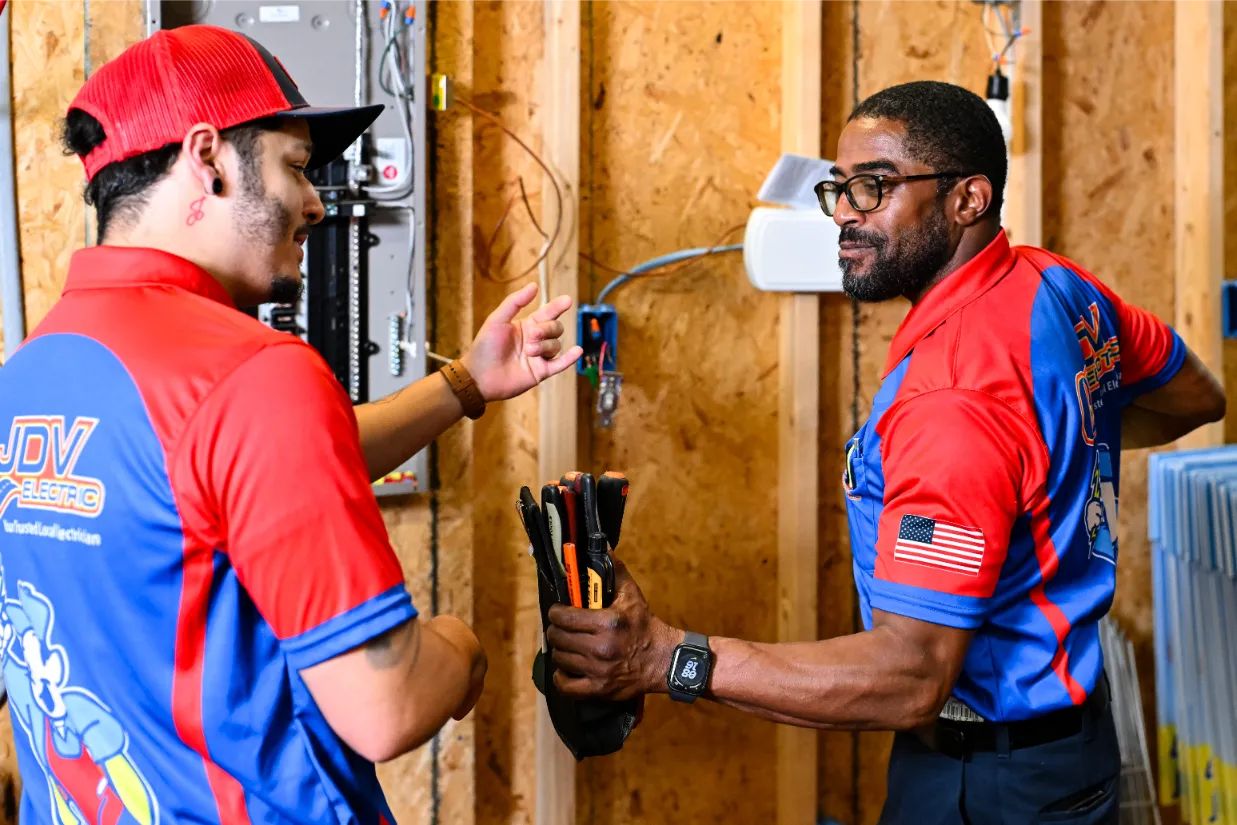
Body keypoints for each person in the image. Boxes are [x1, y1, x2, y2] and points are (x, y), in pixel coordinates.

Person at [545, 80, 1226, 824]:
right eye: (837, 188)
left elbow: (912, 675)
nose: (843, 212)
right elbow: (1196, 394)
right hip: (1072, 756)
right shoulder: (1056, 285)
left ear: (968, 198)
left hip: (989, 785)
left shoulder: (952, 402)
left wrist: (666, 656)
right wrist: (1053, 445)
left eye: (872, 187)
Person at [0, 24, 580, 825]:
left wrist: (462, 385)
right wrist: (462, 649)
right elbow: (386, 705)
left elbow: (236, 482)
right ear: (206, 159)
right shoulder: (253, 375)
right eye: (297, 167)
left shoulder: (33, 371)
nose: (315, 202)